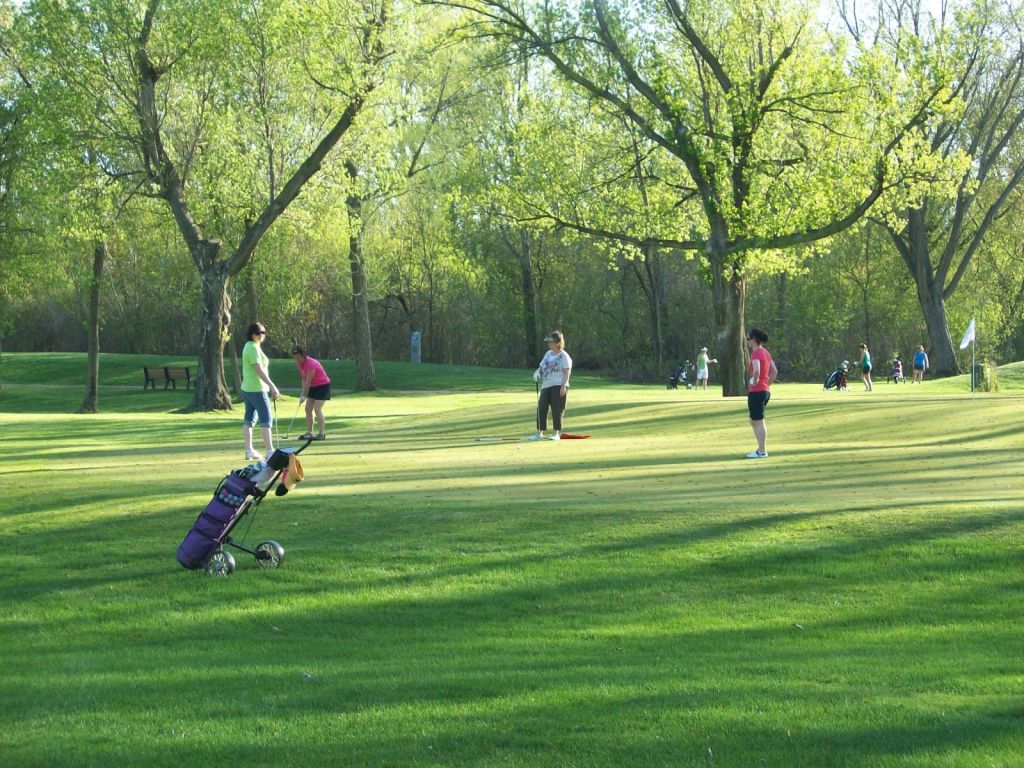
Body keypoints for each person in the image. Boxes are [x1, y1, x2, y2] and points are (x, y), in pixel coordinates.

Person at [241, 322, 280, 460]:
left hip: (248, 388)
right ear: (252, 334)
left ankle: (249, 451)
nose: (261, 335)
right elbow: (258, 369)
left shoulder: (252, 346)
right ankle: (270, 451)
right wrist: (272, 386)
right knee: (266, 419)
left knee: (249, 420)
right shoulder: (252, 347)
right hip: (257, 388)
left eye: (263, 332)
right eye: (259, 333)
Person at [530, 330, 572, 441]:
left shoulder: (564, 356)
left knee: (557, 409)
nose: (549, 344)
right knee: (541, 408)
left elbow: (567, 372)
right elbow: (542, 366)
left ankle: (556, 433)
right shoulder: (548, 354)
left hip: (559, 385)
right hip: (546, 385)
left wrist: (563, 386)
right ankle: (540, 433)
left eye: (551, 341)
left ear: (557, 342)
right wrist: (537, 372)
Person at [745, 327, 777, 459]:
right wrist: (765, 385)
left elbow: (757, 370)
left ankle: (762, 451)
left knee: (758, 421)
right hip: (764, 391)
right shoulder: (766, 352)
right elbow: (774, 372)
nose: (747, 341)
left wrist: (755, 381)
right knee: (754, 420)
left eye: (748, 338)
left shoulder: (756, 353)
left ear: (753, 340)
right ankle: (760, 449)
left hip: (757, 392)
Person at [291, 345, 331, 441]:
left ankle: (321, 434)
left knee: (317, 408)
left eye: (298, 357)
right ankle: (309, 433)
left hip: (323, 385)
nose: (296, 360)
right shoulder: (299, 364)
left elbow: (308, 380)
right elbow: (303, 379)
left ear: (303, 355)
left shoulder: (311, 363)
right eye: (294, 358)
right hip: (313, 386)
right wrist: (302, 394)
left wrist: (304, 395)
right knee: (308, 409)